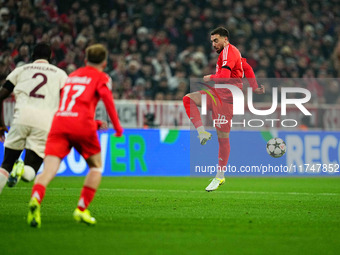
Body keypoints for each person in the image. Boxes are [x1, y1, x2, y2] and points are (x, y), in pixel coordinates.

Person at [27, 44, 123, 228]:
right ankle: (81, 209)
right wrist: (117, 128)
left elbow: (69, 103)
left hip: (59, 123)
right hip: (81, 126)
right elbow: (107, 100)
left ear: (85, 60)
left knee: (48, 171)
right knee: (96, 167)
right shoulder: (101, 77)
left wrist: (93, 123)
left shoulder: (72, 76)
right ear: (104, 62)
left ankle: (36, 198)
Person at [182, 27, 265, 192]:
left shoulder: (228, 52)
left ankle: (220, 175)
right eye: (212, 41)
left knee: (222, 138)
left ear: (225, 39)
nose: (213, 44)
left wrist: (210, 77)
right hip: (217, 94)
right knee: (188, 99)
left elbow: (225, 77)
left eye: (216, 40)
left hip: (227, 98)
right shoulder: (234, 52)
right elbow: (246, 67)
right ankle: (202, 132)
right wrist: (254, 87)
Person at [0, 43, 68, 194]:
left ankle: (13, 167)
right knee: (31, 171)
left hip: (20, 118)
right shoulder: (60, 74)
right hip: (44, 123)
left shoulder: (20, 70)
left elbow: (1, 96)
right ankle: (22, 169)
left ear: (32, 56)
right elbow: (67, 102)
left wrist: (1, 125)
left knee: (5, 166)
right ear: (50, 57)